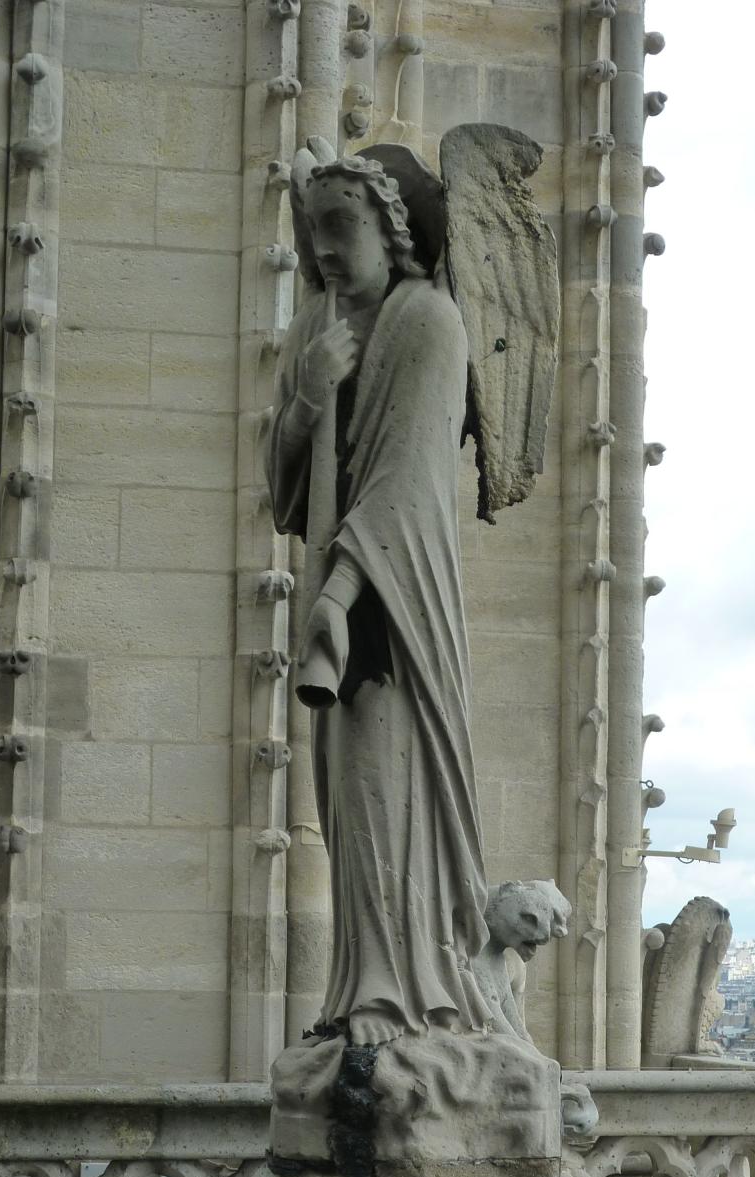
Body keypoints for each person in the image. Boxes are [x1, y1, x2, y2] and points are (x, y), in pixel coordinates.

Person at [268, 153, 492, 1048]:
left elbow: (412, 482)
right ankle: (362, 985)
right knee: (351, 804)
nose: (324, 248)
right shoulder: (313, 331)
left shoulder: (431, 321)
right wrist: (307, 398)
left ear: (389, 231)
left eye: (341, 227)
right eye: (313, 230)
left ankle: (408, 995)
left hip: (397, 601)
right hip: (338, 593)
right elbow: (285, 495)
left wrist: (339, 596)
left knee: (392, 787)